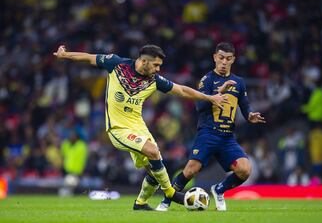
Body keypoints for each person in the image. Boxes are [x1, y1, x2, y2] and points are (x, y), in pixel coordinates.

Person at [53, 44, 227, 210]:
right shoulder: (117, 64)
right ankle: (171, 193)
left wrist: (210, 98)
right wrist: (65, 55)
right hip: (118, 129)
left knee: (154, 168)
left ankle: (141, 203)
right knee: (153, 151)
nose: (159, 69)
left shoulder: (154, 80)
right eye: (156, 65)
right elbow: (89, 58)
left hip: (139, 128)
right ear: (144, 61)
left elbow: (181, 90)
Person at [156, 42, 265, 211]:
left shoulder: (239, 82)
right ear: (215, 57)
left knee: (245, 169)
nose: (223, 62)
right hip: (208, 133)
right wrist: (219, 93)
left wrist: (250, 114)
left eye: (228, 59)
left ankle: (219, 189)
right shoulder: (207, 80)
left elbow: (244, 105)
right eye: (221, 58)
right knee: (191, 170)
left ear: (233, 60)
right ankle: (166, 200)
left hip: (228, 137)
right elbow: (200, 108)